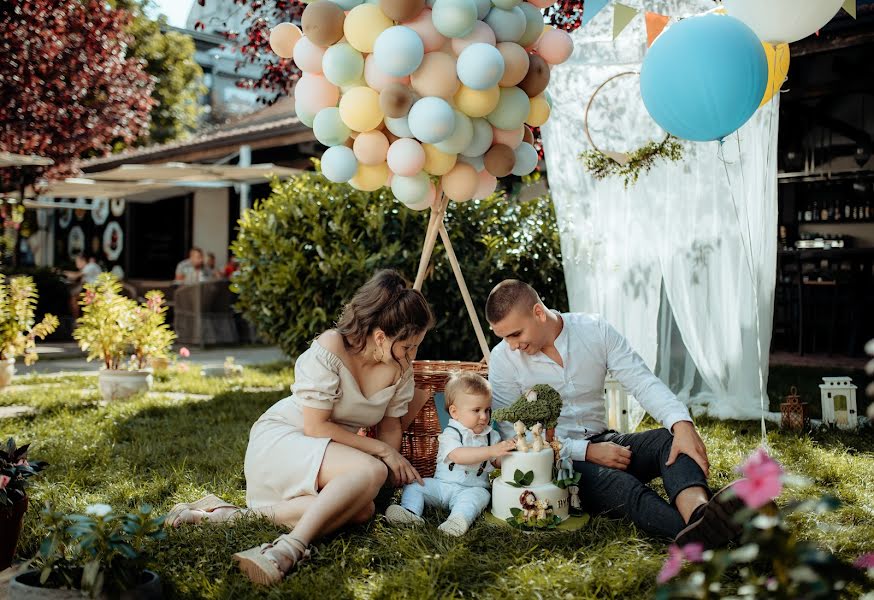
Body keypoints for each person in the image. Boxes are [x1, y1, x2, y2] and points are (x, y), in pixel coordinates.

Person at [165, 270, 435, 585]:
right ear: (380, 337)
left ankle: (225, 516)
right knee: (371, 471)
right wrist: (383, 454)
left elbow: (390, 426)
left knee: (362, 510)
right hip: (286, 437)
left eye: (416, 346)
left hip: (331, 451)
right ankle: (289, 547)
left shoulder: (400, 368)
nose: (412, 356)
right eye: (408, 346)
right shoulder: (332, 347)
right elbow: (316, 426)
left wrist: (391, 481)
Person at [485, 279, 745, 549]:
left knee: (669, 440)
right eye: (504, 337)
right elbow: (512, 434)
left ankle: (700, 514)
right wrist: (585, 452)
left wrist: (681, 424)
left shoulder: (594, 329)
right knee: (622, 487)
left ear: (538, 313)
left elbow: (642, 381)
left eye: (515, 334)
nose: (512, 345)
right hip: (559, 465)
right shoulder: (503, 359)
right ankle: (714, 535)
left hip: (608, 442)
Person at [384, 371, 516, 536]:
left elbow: (496, 461)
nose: (484, 417)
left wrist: (508, 453)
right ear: (454, 412)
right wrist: (490, 451)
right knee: (415, 485)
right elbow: (458, 456)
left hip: (472, 488)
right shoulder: (451, 433)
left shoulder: (491, 435)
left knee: (478, 497)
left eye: (487, 410)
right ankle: (409, 512)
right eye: (476, 410)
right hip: (442, 486)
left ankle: (457, 520)